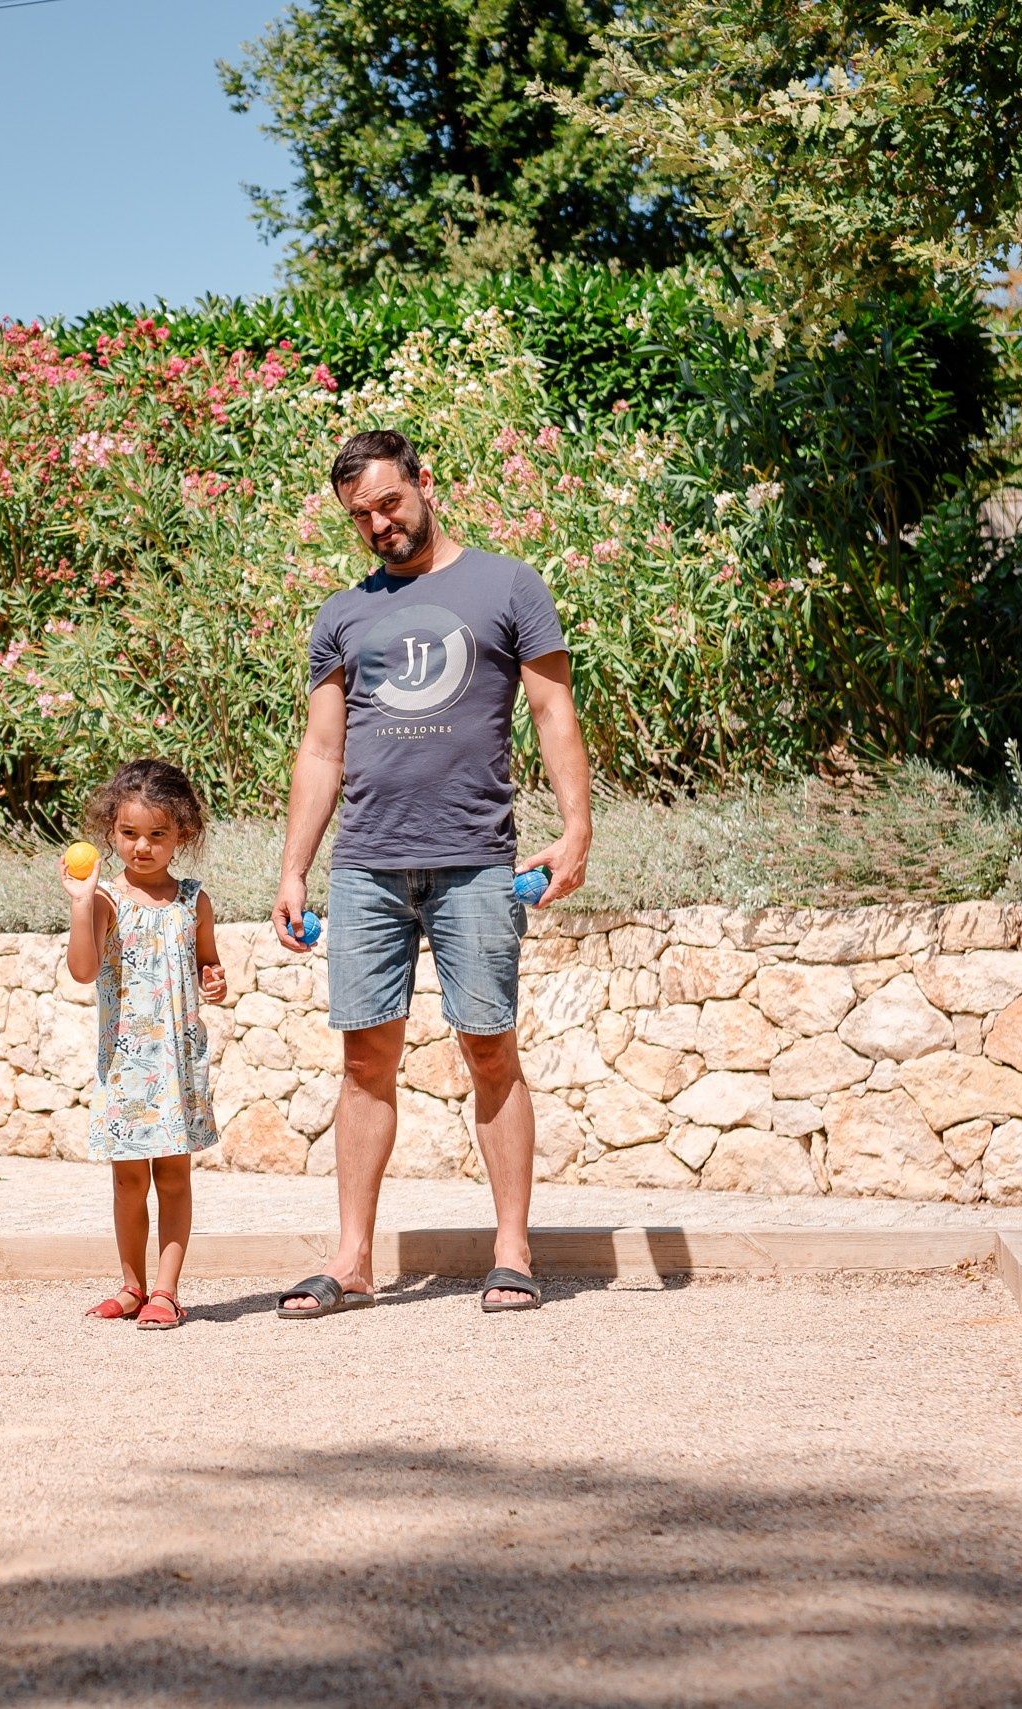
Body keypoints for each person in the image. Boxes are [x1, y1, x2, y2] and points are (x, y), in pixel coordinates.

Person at [270, 429, 593, 1319]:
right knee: (363, 1061)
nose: (379, 523)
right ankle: (351, 1261)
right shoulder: (342, 614)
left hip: (476, 860)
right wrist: (294, 869)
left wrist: (576, 829)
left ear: (423, 482)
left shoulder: (509, 585)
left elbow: (551, 710)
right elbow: (322, 749)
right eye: (361, 515)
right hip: (366, 867)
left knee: (489, 1048)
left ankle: (513, 1252)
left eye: (389, 502)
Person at [63, 758, 228, 1331]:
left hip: (177, 1065)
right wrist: (81, 901)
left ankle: (166, 1291)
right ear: (110, 830)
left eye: (158, 834)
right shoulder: (106, 901)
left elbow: (207, 964)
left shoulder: (193, 901)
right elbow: (83, 971)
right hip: (127, 1068)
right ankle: (131, 1286)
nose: (142, 846)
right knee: (128, 1181)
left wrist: (214, 980)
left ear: (183, 833)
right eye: (129, 833)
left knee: (174, 1178)